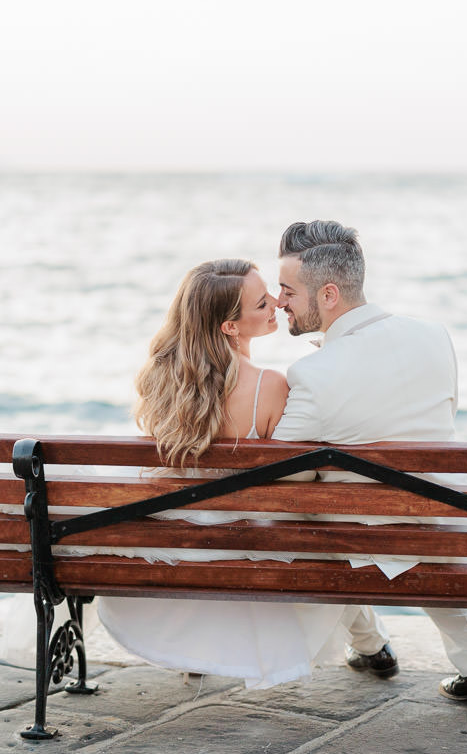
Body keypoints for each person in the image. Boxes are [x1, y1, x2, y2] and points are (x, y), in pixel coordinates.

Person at [271, 220, 467, 702]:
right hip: (446, 513)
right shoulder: (433, 335)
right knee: (394, 522)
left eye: (287, 290)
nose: (280, 302)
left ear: (329, 294)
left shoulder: (314, 374)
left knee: (311, 514)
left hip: (369, 528)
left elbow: (284, 473)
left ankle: (370, 644)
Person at [96, 258, 355, 688]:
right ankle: (371, 646)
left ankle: (369, 644)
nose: (276, 302)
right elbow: (296, 483)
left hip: (179, 540)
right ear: (230, 327)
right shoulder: (271, 386)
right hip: (245, 543)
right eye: (260, 302)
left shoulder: (164, 382)